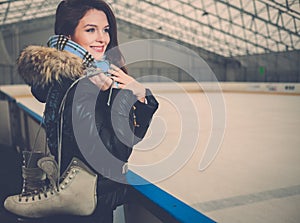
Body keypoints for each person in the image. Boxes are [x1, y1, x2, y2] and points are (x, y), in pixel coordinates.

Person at [4, 0, 159, 222]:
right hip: (88, 203)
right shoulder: (85, 85)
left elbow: (128, 135)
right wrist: (127, 96)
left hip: (77, 193)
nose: (102, 39)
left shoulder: (72, 77)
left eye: (105, 30)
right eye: (90, 30)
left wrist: (143, 100)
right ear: (68, 37)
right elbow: (112, 155)